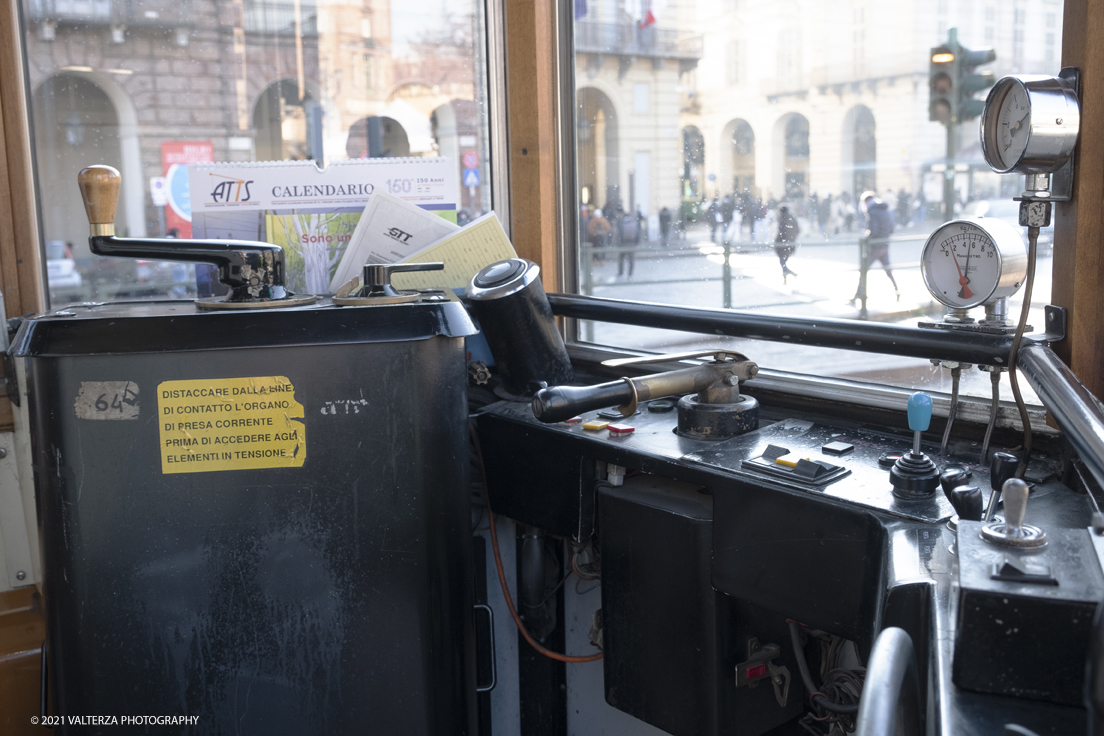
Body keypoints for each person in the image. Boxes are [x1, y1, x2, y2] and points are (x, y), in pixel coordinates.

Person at [852, 191, 899, 308]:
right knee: (888, 270)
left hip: (875, 247)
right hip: (884, 246)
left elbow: (874, 230)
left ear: (866, 201)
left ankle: (858, 296)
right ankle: (897, 291)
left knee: (863, 270)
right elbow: (891, 229)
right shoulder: (885, 210)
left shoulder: (872, 211)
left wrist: (865, 237)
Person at [774, 204, 799, 284]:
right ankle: (786, 277)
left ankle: (788, 274)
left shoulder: (783, 219)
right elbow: (797, 230)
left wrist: (779, 241)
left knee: (782, 261)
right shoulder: (792, 218)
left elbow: (782, 232)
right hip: (789, 244)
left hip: (783, 244)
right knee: (783, 261)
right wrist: (792, 238)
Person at [618, 208, 640, 278]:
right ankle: (630, 274)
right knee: (631, 260)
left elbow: (619, 235)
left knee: (621, 259)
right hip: (632, 244)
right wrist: (636, 243)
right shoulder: (634, 223)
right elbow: (638, 233)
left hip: (623, 244)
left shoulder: (622, 223)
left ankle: (621, 273)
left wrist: (619, 244)